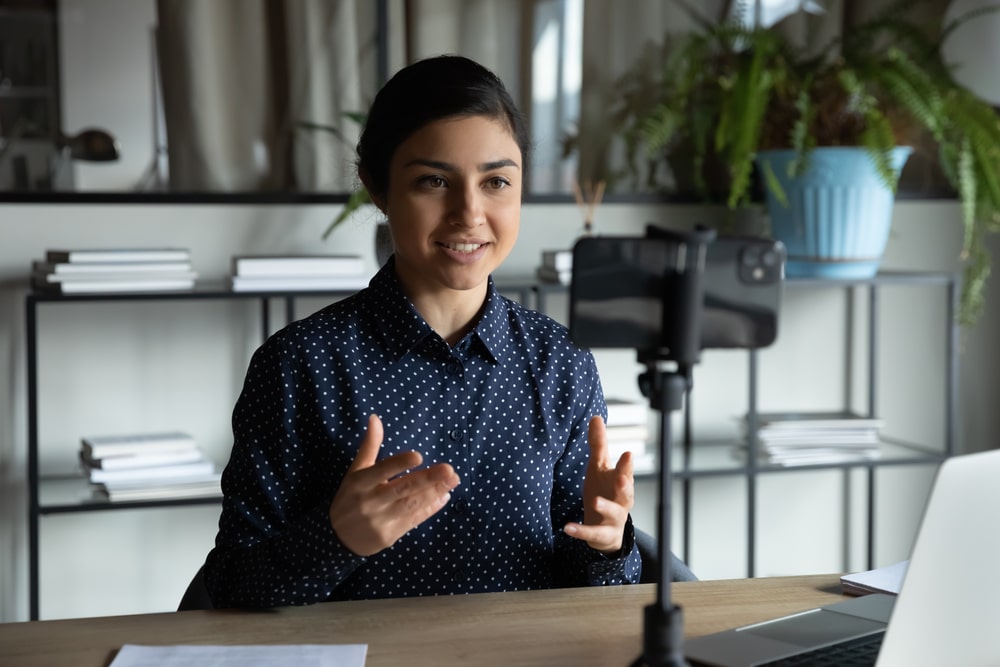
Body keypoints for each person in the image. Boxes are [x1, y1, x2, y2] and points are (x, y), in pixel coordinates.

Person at [202, 54, 644, 608]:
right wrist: (336, 540)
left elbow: (598, 596)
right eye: (434, 181)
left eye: (497, 181)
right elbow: (224, 592)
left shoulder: (561, 361)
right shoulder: (299, 365)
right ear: (378, 188)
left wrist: (608, 547)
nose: (469, 213)